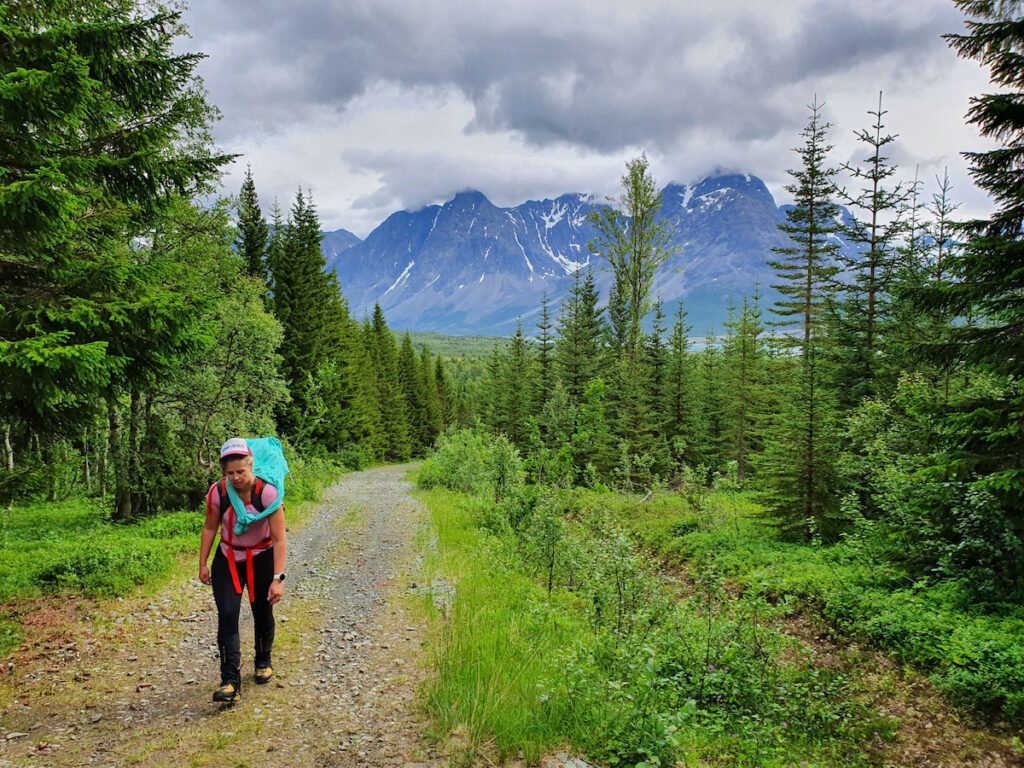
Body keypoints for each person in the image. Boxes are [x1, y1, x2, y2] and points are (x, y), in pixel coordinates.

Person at [199, 437, 287, 704]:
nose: (235, 478)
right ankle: (230, 682)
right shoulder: (219, 492)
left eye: (241, 472)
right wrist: (202, 562)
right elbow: (210, 527)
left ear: (251, 465)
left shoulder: (268, 493)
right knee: (227, 614)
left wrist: (277, 578)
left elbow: (280, 539)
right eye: (230, 473)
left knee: (262, 609)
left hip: (262, 556)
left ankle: (263, 660)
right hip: (228, 557)